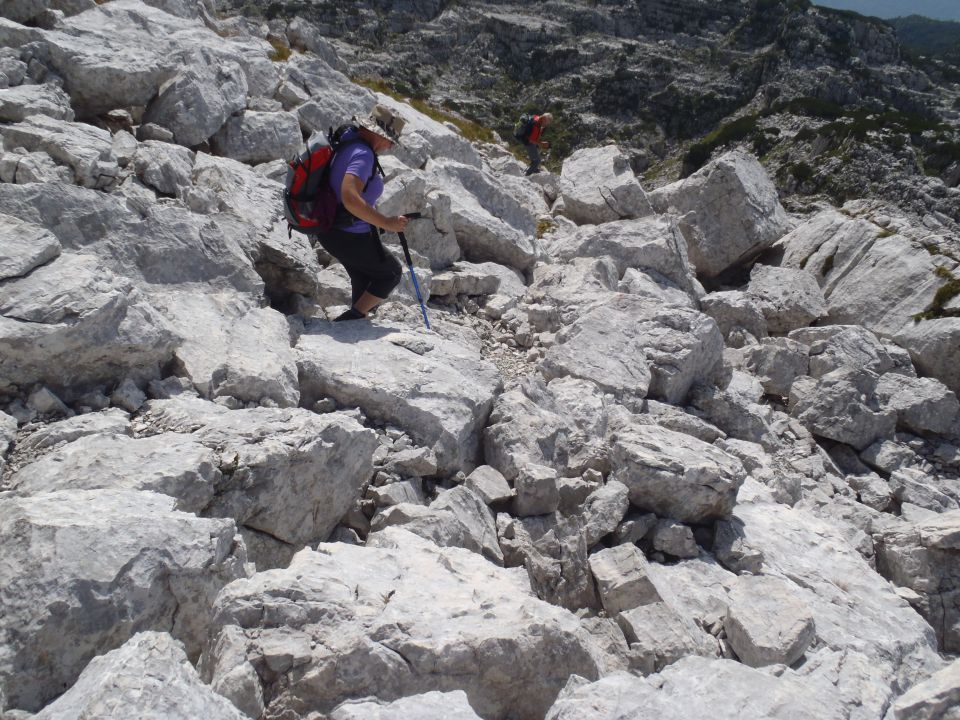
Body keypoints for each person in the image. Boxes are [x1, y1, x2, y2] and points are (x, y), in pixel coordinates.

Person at [315, 104, 409, 321]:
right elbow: (350, 198)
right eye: (391, 141)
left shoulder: (349, 142)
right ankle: (349, 322)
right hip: (348, 234)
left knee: (366, 283)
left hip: (333, 230)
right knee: (391, 273)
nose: (390, 147)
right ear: (380, 134)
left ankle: (354, 324)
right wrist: (387, 223)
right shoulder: (363, 154)